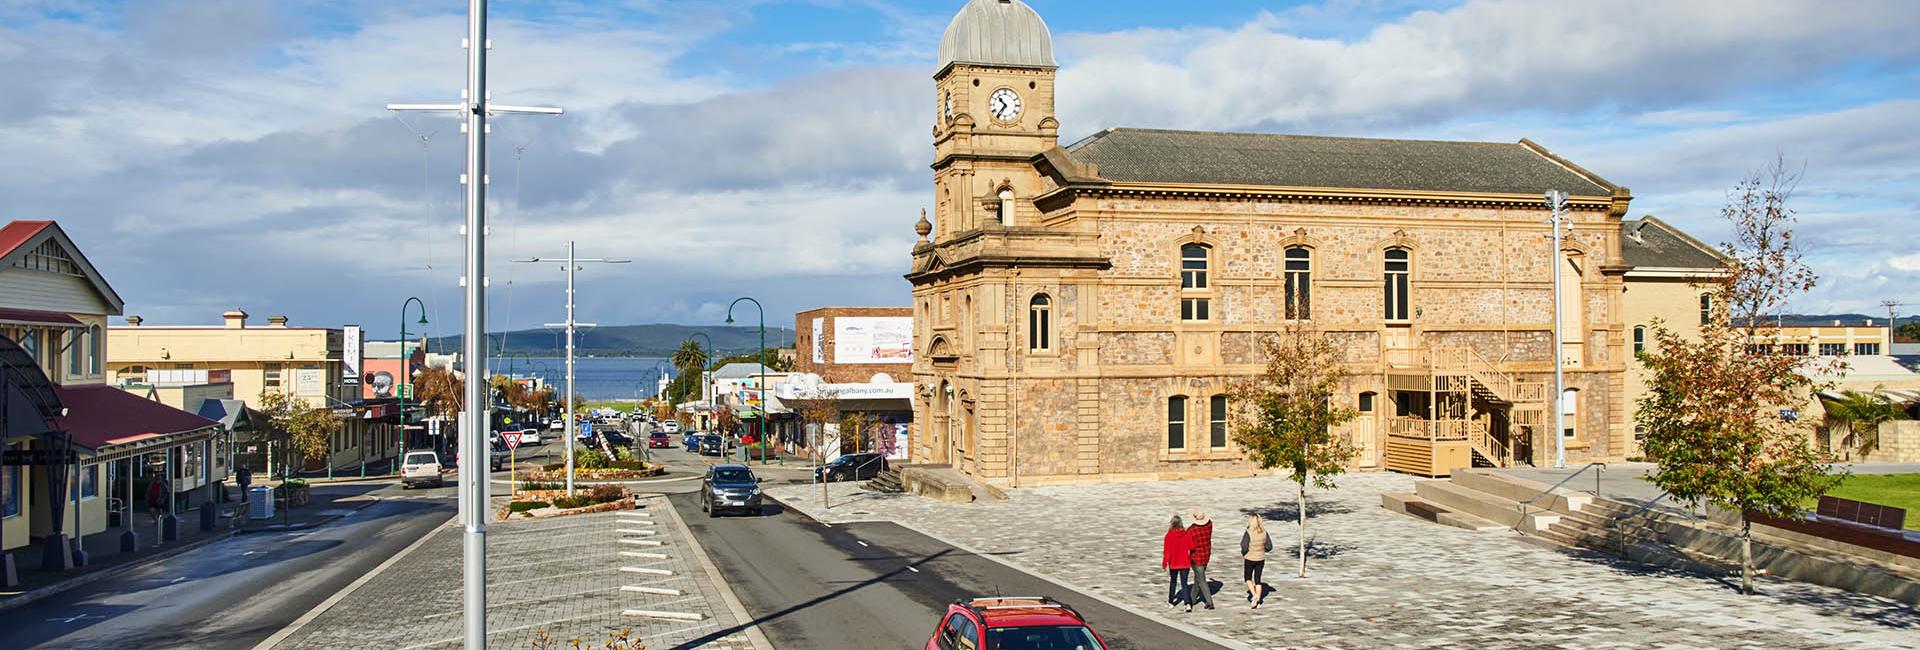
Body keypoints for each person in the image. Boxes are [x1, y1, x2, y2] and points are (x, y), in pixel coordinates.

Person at [1160, 515, 1192, 611]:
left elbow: (1167, 551)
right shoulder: (1186, 534)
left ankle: (1171, 602)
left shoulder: (1169, 536)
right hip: (1185, 563)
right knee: (1184, 584)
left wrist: (1164, 563)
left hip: (1174, 563)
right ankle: (1187, 603)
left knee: (1173, 582)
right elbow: (1192, 546)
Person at [1242, 514, 1273, 608]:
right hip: (1261, 558)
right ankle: (1258, 601)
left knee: (1248, 578)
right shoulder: (1264, 532)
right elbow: (1269, 546)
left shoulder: (1248, 532)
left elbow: (1244, 546)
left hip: (1250, 558)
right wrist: (1262, 550)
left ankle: (1254, 594)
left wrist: (1244, 553)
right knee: (1258, 580)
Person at [1188, 509, 1216, 610]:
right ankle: (1192, 599)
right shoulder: (1209, 525)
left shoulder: (1191, 530)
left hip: (1196, 558)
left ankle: (1209, 602)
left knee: (1201, 580)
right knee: (1198, 579)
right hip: (1206, 555)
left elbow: (1189, 545)